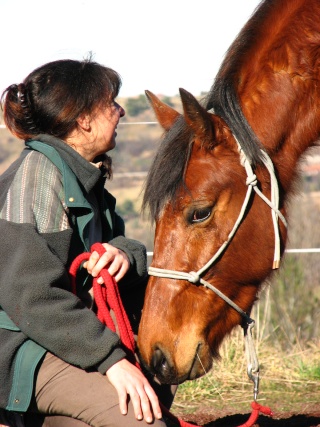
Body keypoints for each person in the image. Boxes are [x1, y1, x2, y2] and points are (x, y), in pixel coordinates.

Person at [0, 58, 172, 427]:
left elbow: (119, 242)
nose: (121, 110)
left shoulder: (82, 176)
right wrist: (112, 361)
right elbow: (34, 298)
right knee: (144, 423)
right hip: (24, 351)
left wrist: (123, 254)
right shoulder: (38, 180)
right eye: (111, 103)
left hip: (63, 341)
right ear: (83, 119)